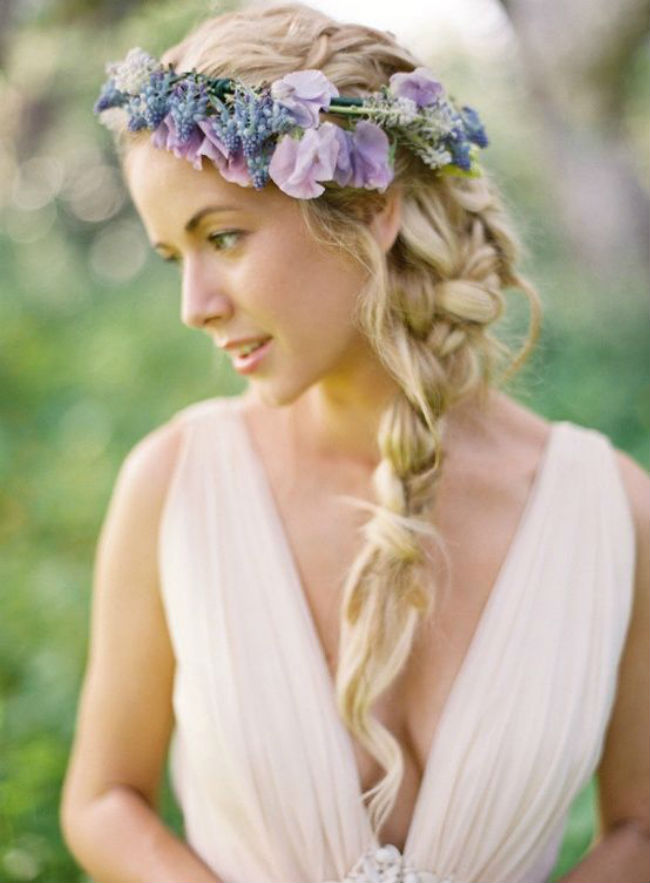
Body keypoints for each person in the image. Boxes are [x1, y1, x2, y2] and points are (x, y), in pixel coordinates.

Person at [59, 3, 650, 882]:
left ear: (373, 207)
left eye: (223, 237)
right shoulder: (174, 485)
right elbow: (103, 798)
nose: (197, 305)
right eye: (174, 257)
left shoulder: (616, 511)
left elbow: (638, 825)